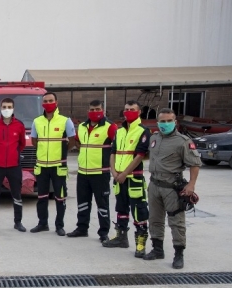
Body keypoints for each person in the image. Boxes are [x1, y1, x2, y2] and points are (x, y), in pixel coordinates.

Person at [144, 108, 201, 269]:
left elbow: (195, 164)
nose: (166, 124)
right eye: (162, 121)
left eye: (169, 121)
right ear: (158, 122)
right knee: (155, 219)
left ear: (175, 122)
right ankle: (157, 249)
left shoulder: (183, 141)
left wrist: (191, 184)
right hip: (154, 185)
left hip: (172, 187)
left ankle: (179, 254)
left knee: (176, 222)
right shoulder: (154, 138)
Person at [102, 100, 151, 257]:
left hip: (133, 178)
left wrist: (124, 174)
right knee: (121, 208)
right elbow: (113, 152)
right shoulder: (120, 131)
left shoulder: (143, 131)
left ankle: (140, 245)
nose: (128, 112)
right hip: (118, 177)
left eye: (132, 109)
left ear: (139, 112)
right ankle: (121, 238)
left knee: (139, 210)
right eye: (126, 109)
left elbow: (140, 156)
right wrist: (114, 172)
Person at [66, 100, 118, 243]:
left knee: (102, 204)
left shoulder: (110, 126)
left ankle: (103, 232)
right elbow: (77, 142)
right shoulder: (82, 126)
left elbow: (117, 146)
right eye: (92, 109)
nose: (95, 112)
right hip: (83, 173)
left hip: (100, 173)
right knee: (83, 203)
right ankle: (82, 228)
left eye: (97, 109)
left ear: (103, 110)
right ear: (88, 111)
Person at [30, 92, 76, 236]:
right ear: (42, 103)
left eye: (51, 100)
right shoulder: (37, 121)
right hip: (42, 166)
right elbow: (34, 141)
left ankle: (59, 226)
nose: (48, 103)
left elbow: (72, 141)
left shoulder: (65, 121)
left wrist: (62, 152)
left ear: (56, 102)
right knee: (41, 197)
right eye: (45, 101)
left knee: (60, 197)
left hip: (58, 166)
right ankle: (42, 223)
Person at [0, 98, 27, 232]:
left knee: (17, 195)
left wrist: (14, 154)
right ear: (0, 108)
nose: (6, 109)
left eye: (9, 107)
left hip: (14, 166)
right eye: (4, 107)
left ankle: (18, 222)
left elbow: (22, 144)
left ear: (13, 108)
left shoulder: (19, 125)